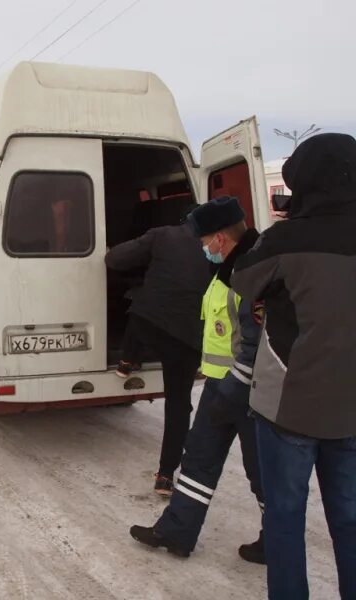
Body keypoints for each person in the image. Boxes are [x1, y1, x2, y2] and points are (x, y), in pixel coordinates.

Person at [231, 133, 356, 599]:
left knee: (286, 515)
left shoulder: (285, 238)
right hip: (350, 407)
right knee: (349, 517)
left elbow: (242, 280)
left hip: (289, 405)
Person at [129, 196, 265, 563]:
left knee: (262, 471)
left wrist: (237, 385)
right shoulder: (228, 270)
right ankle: (176, 531)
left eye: (204, 241)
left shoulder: (255, 272)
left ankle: (276, 538)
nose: (203, 248)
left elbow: (260, 343)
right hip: (221, 386)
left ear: (220, 238)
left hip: (252, 392)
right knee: (198, 460)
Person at [105, 208, 211, 494]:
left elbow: (115, 259)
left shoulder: (162, 235)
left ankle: (126, 361)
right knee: (178, 406)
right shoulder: (216, 248)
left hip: (150, 325)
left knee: (137, 308)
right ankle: (165, 476)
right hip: (188, 339)